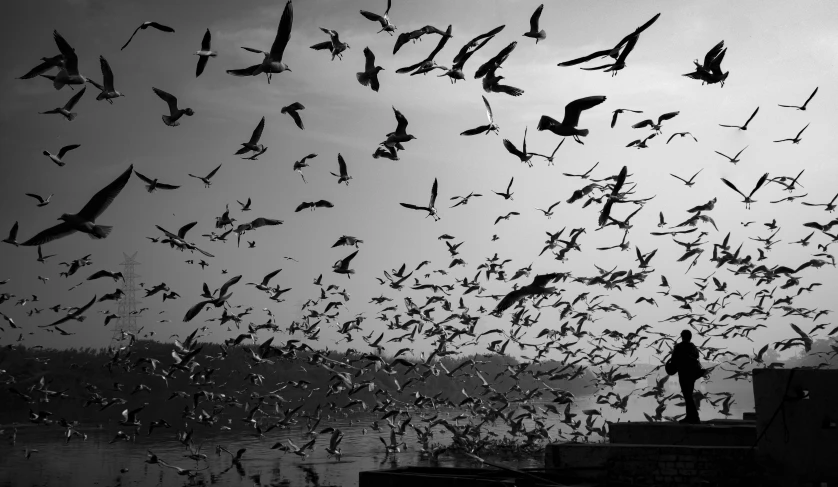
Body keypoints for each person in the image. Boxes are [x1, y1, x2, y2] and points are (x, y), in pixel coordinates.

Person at [671, 329, 703, 424]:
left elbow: (673, 359)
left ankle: (693, 417)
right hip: (692, 374)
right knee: (689, 394)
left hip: (684, 373)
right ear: (690, 337)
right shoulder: (693, 347)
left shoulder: (679, 346)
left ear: (682, 336)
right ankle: (691, 417)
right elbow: (696, 356)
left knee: (687, 395)